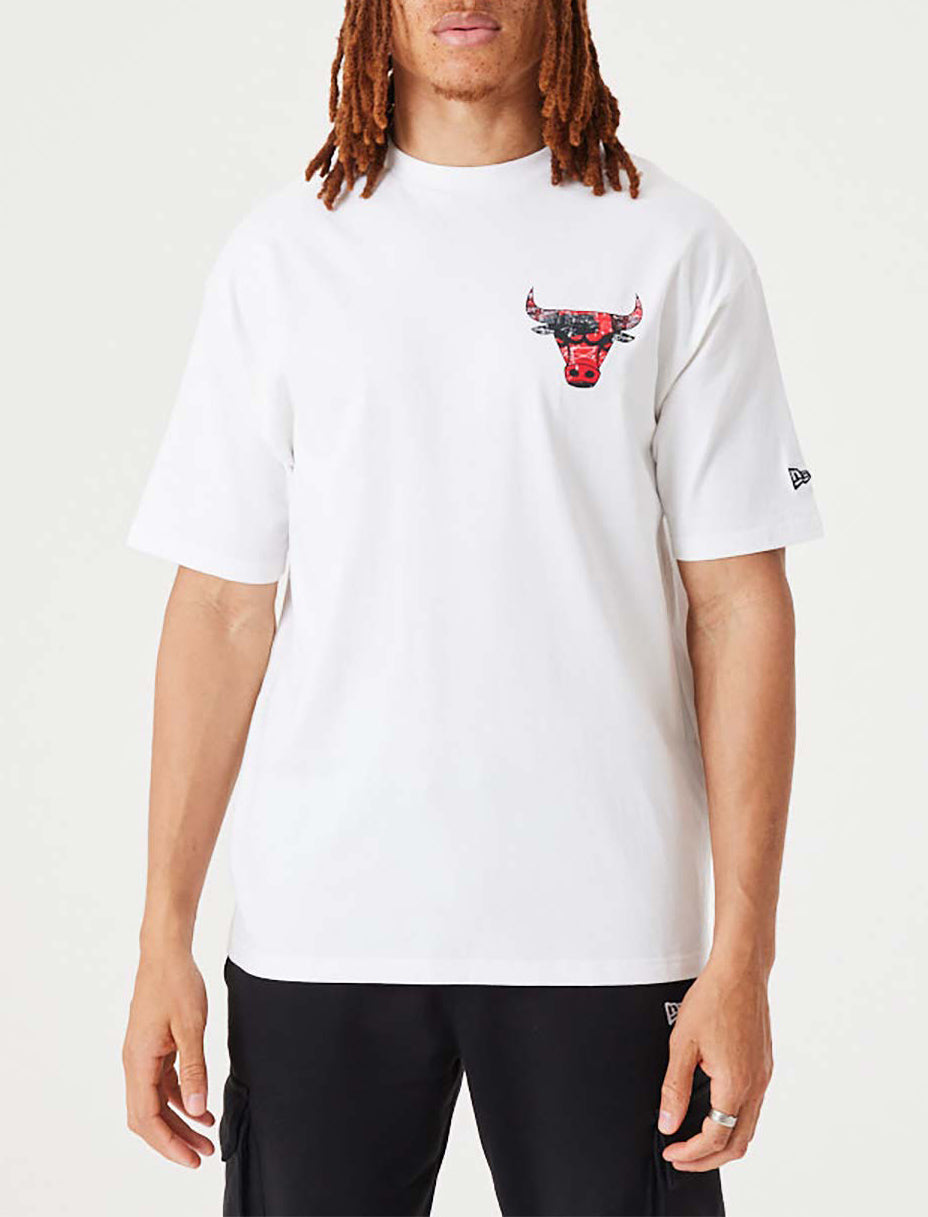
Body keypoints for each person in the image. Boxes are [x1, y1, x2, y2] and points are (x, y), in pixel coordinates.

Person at [122, 2, 823, 1214]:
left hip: (607, 930)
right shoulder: (281, 256)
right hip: (321, 925)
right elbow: (223, 607)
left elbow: (738, 609)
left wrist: (744, 954)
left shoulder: (676, 249)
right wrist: (161, 937)